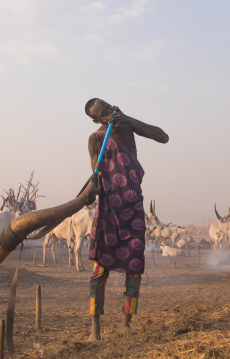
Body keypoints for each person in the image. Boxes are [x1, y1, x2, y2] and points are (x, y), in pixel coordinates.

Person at [84, 98, 169, 341]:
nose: (109, 113)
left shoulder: (128, 127)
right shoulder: (95, 139)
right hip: (109, 210)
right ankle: (94, 331)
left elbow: (163, 137)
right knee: (99, 270)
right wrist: (92, 184)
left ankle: (125, 324)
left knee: (134, 269)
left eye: (109, 107)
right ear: (96, 120)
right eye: (103, 113)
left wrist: (129, 119)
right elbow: (96, 173)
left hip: (132, 208)